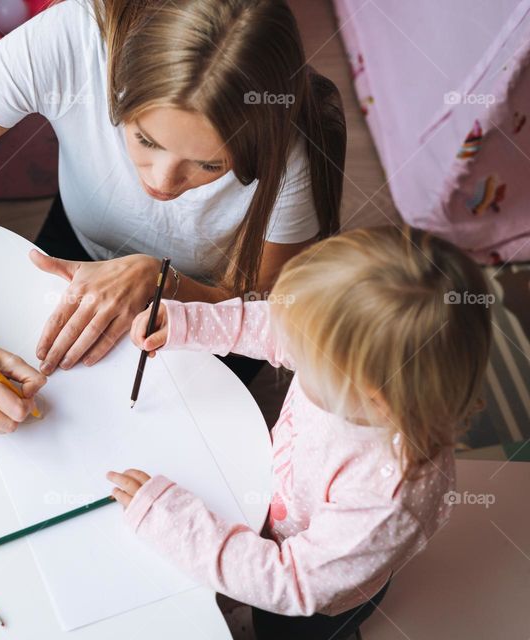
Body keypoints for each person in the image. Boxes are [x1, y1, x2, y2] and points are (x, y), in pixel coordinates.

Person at [0, 0, 345, 433]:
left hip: (211, 308)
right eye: (145, 139)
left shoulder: (296, 138)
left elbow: (264, 305)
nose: (162, 183)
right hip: (76, 242)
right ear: (119, 81)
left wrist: (161, 282)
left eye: (210, 165)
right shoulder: (73, 41)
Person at [108, 226, 492, 639]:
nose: (289, 343)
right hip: (284, 512)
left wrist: (177, 523)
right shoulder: (351, 364)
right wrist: (190, 322)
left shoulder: (388, 496)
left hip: (314, 602)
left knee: (276, 626)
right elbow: (274, 325)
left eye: (304, 354)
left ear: (374, 397)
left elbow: (290, 583)